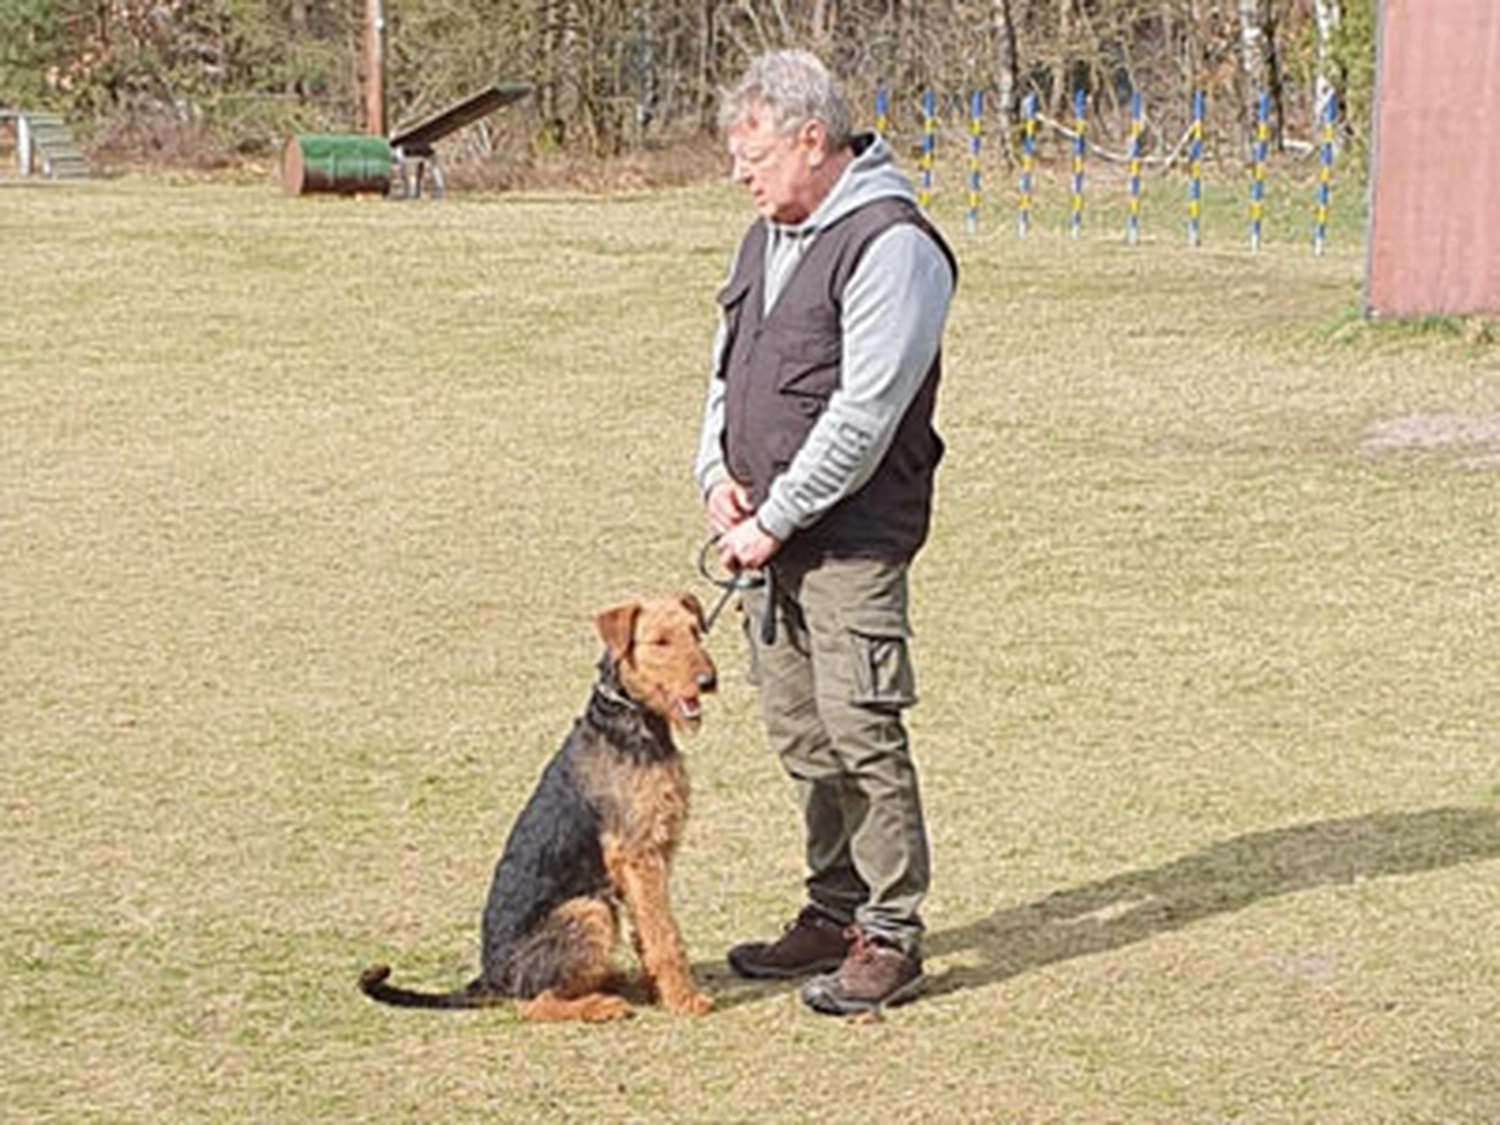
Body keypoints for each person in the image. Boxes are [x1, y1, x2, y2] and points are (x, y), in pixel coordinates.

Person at [693, 50, 956, 1015]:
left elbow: (865, 413)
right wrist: (717, 476)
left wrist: (775, 518)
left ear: (815, 138)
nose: (740, 170)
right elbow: (726, 376)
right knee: (801, 733)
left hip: (850, 542)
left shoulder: (894, 245)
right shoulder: (764, 235)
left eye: (753, 149)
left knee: (861, 730)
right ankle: (831, 907)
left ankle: (890, 934)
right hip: (769, 536)